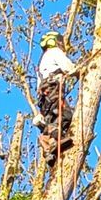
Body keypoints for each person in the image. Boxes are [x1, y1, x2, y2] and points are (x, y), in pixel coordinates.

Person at [34, 30, 78, 173]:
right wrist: (78, 71)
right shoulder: (55, 52)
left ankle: (47, 146)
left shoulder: (41, 61)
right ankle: (54, 142)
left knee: (52, 117)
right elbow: (67, 67)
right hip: (53, 90)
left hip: (44, 97)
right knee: (65, 115)